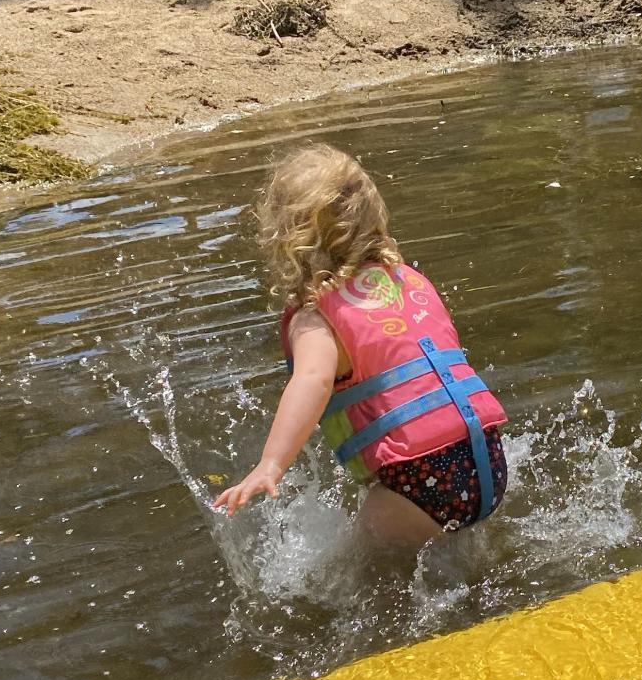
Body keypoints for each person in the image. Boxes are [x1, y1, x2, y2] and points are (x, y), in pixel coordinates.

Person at [213, 144, 508, 546]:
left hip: (418, 477)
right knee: (459, 565)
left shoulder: (316, 315)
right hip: (486, 458)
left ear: (285, 237)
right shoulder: (410, 281)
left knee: (368, 584)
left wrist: (270, 464)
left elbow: (313, 380)